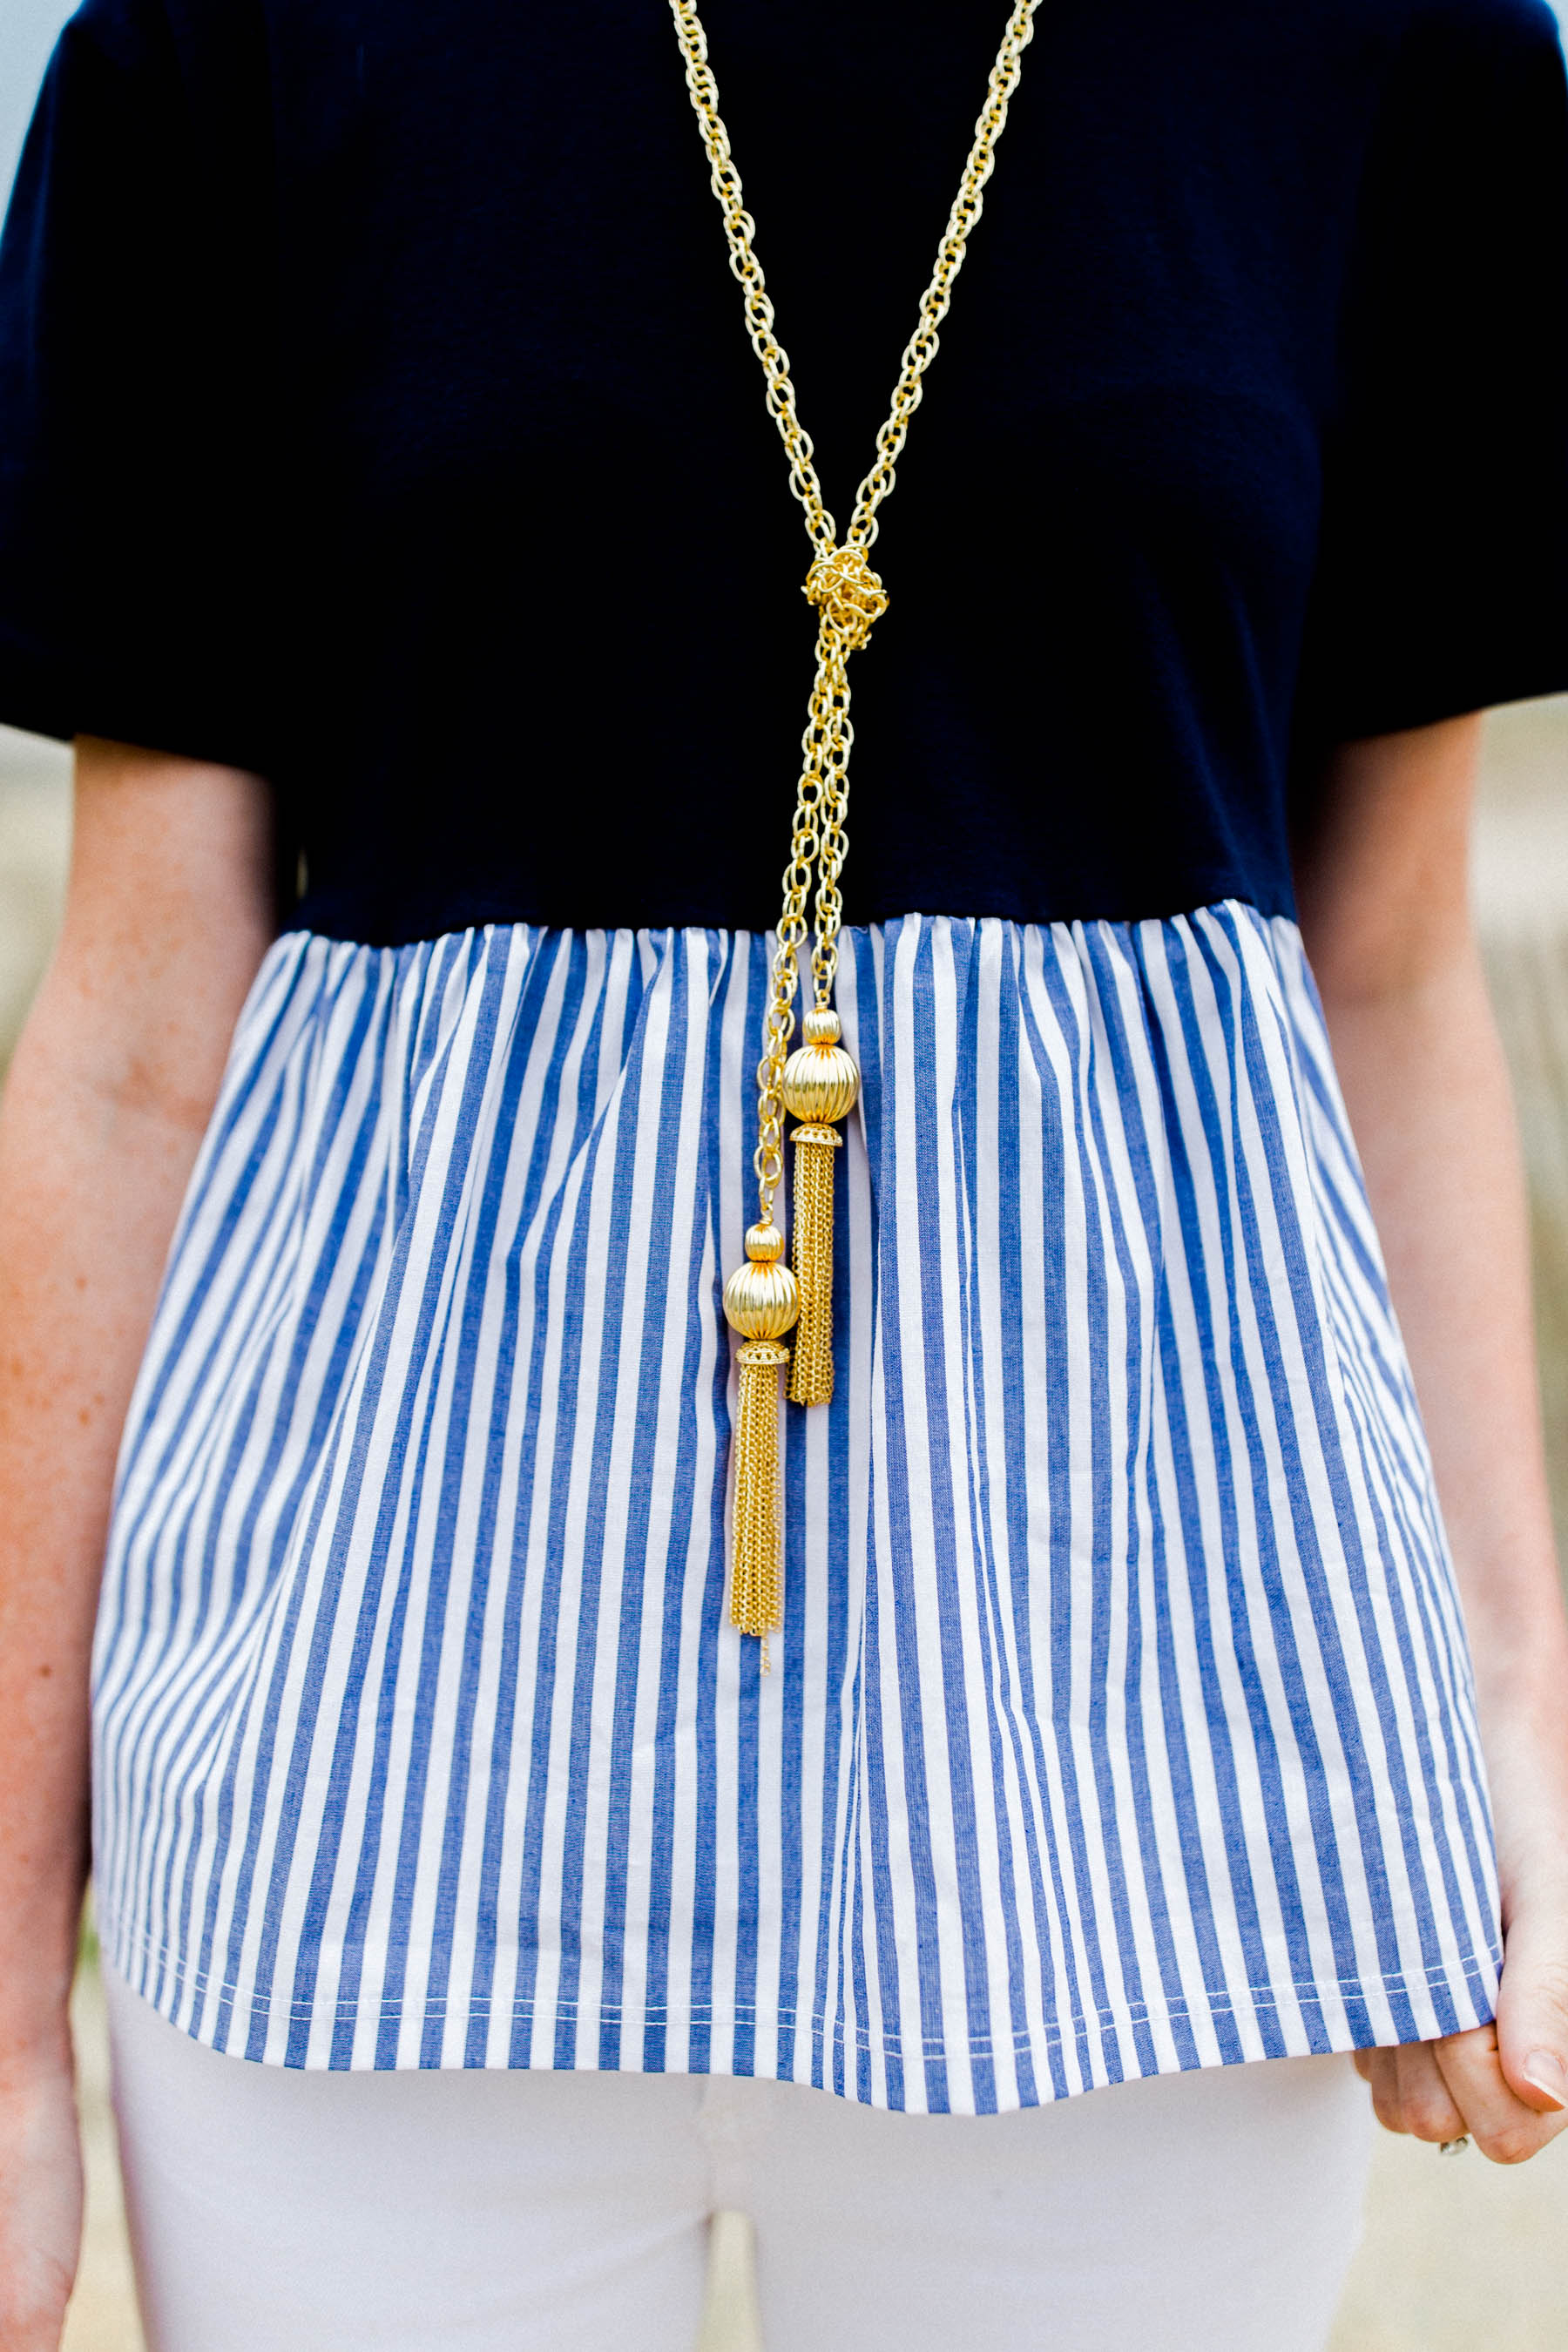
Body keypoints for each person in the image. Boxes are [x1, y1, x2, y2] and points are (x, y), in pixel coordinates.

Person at [2, 1, 1568, 2347]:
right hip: (372, 1743)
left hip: (1130, 1752)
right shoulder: (238, 38)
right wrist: (7, 1968)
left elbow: (1387, 975)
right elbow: (135, 1039)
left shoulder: (1391, 44)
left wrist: (1512, 1715)